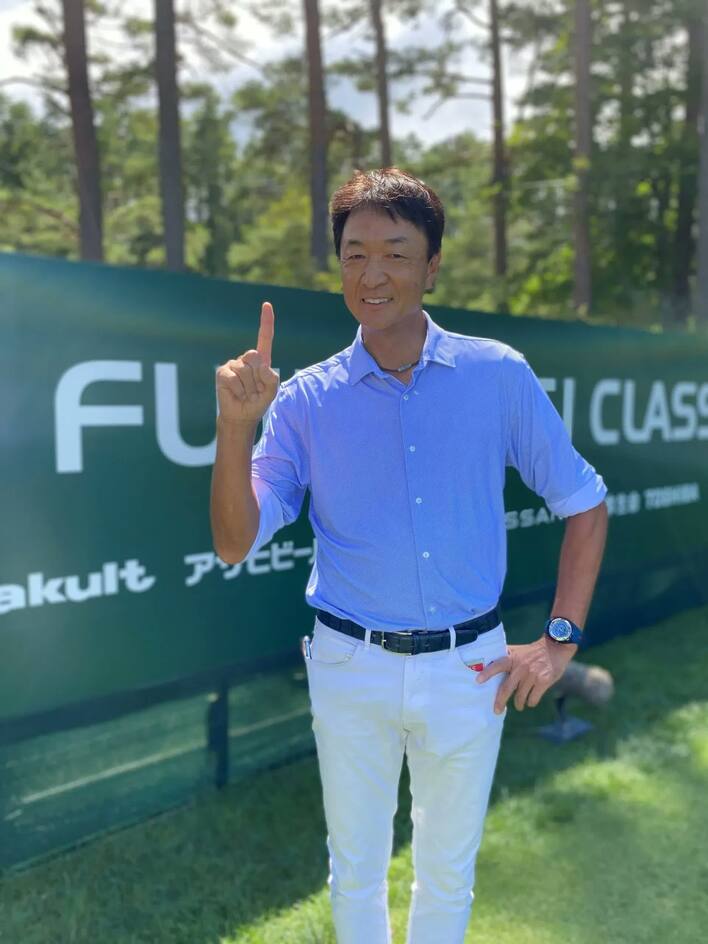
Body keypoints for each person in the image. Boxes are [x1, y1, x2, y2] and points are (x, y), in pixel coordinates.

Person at [210, 167, 609, 944]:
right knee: (354, 870)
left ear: (432, 267)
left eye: (395, 253)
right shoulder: (304, 399)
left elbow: (584, 505)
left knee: (448, 874)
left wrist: (559, 639)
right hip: (348, 665)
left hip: (470, 669)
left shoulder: (497, 374)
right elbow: (234, 542)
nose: (373, 274)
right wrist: (234, 428)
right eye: (355, 254)